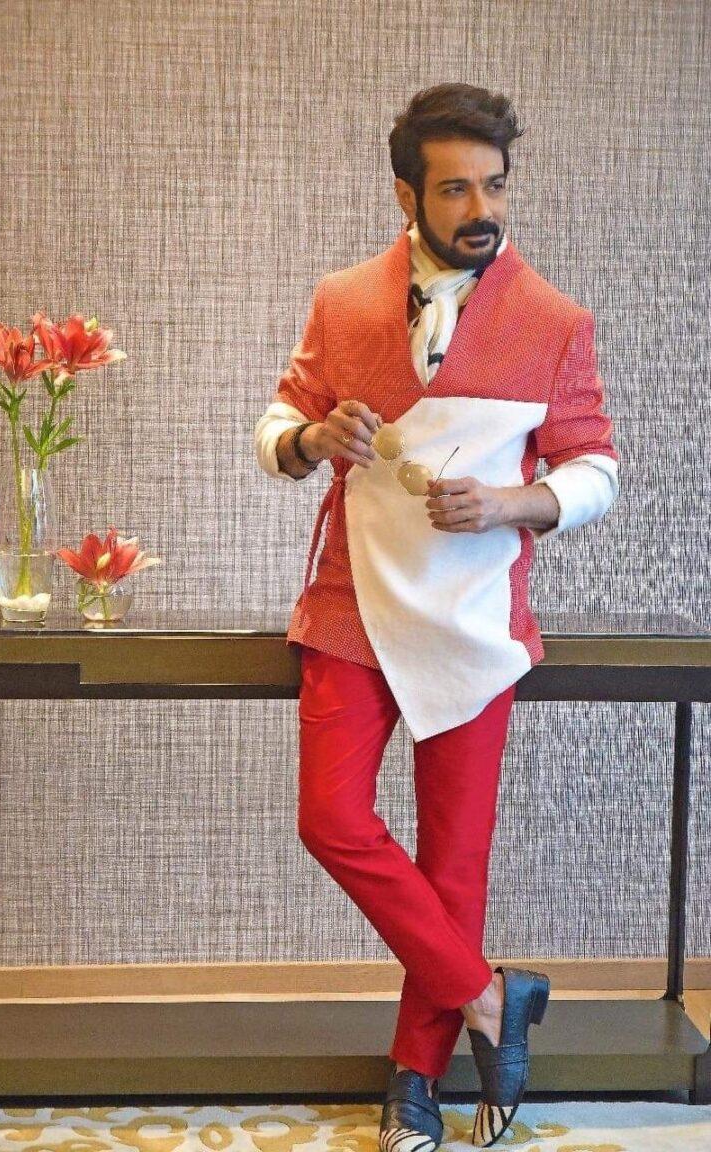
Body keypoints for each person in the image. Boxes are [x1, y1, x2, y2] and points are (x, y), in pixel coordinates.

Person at [254, 83, 619, 1149]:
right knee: (330, 818)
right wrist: (310, 440)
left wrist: (512, 502)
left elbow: (596, 466)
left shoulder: (555, 321)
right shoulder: (341, 301)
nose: (481, 208)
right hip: (348, 608)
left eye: (494, 185)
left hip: (474, 621)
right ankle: (493, 999)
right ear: (406, 194)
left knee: (454, 865)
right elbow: (281, 418)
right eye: (455, 188)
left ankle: (414, 1079)